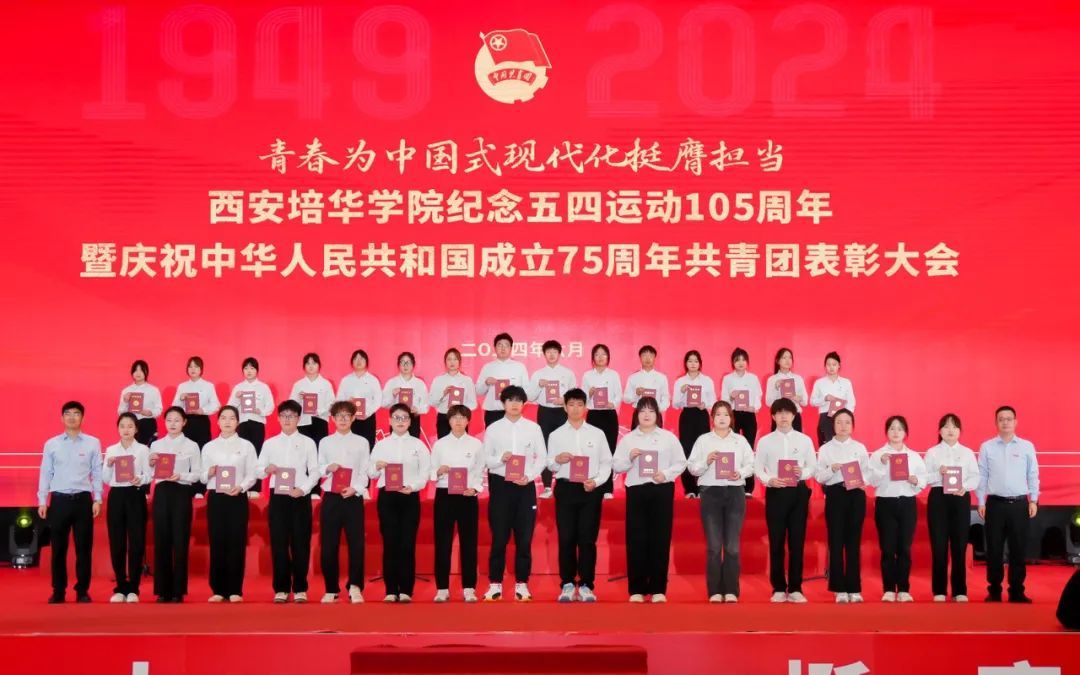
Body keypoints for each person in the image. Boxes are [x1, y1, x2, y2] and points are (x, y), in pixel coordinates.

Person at [613, 396, 685, 602]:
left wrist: (666, 474)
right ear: (636, 414)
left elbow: (681, 462)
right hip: (636, 490)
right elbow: (616, 465)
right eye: (643, 411)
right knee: (636, 538)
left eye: (651, 411)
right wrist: (629, 458)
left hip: (661, 490)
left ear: (657, 415)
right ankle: (636, 589)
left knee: (660, 538)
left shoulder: (668, 437)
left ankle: (658, 589)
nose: (646, 415)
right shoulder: (628, 439)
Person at [483, 385, 547, 602]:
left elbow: (542, 458)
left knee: (524, 538)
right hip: (500, 486)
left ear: (524, 404)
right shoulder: (493, 429)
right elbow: (486, 459)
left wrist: (529, 476)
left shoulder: (533, 428)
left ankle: (522, 583)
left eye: (518, 400)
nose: (514, 404)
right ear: (503, 403)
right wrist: (499, 459)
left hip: (524, 487)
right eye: (510, 400)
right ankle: (495, 584)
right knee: (499, 538)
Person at [547, 388, 612, 603]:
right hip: (566, 488)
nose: (575, 409)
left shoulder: (597, 433)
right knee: (566, 538)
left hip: (590, 489)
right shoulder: (556, 434)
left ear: (585, 407)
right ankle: (567, 583)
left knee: (587, 539)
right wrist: (558, 459)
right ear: (565, 407)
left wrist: (597, 482)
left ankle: (586, 584)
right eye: (571, 404)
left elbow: (606, 462)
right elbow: (550, 463)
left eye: (580, 404)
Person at [688, 401, 754, 602]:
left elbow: (751, 464)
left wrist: (739, 472)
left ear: (731, 418)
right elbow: (692, 467)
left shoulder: (740, 441)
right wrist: (706, 461)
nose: (722, 418)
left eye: (726, 414)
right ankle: (715, 591)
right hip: (710, 493)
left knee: (733, 546)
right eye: (718, 414)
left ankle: (731, 590)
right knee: (714, 546)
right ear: (712, 418)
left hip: (735, 493)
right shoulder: (703, 440)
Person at [38, 401, 103, 603]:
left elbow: (97, 472)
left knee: (84, 548)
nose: (72, 417)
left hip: (83, 500)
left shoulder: (93, 443)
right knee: (58, 548)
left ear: (82, 418)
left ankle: (82, 590)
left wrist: (98, 498)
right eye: (68, 414)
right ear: (62, 418)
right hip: (59, 500)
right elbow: (46, 473)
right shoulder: (51, 444)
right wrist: (42, 500)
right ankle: (58, 590)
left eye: (76, 414)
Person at [754, 397, 817, 603]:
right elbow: (757, 468)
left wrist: (802, 472)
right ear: (773, 416)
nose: (783, 416)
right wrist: (769, 480)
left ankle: (796, 587)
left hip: (798, 492)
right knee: (776, 541)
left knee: (797, 541)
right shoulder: (765, 441)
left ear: (794, 415)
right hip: (776, 492)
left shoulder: (805, 440)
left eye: (787, 412)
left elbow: (812, 466)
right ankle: (779, 588)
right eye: (779, 413)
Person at [258, 400, 320, 603]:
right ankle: (281, 588)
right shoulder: (269, 443)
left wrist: (303, 489)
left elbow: (315, 471)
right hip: (278, 497)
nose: (287, 419)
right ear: (277, 418)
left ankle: (300, 587)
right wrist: (266, 470)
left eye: (291, 416)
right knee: (279, 543)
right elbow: (258, 470)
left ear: (298, 419)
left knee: (301, 543)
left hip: (299, 495)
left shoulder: (308, 442)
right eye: (284, 415)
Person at [977, 405, 1040, 603]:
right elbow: (982, 476)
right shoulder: (987, 447)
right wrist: (981, 501)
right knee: (994, 549)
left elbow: (1033, 474)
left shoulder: (1026, 446)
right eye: (1001, 419)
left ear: (1015, 422)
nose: (1005, 422)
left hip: (1019, 504)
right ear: (996, 423)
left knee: (1018, 549)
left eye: (1009, 419)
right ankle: (994, 590)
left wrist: (1034, 500)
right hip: (994, 504)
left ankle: (1017, 591)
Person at [369, 402, 431, 602]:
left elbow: (425, 473)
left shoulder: (418, 445)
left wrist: (413, 486)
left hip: (409, 496)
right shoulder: (381, 444)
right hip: (387, 497)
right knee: (390, 543)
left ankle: (405, 590)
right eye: (397, 417)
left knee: (407, 543)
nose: (401, 421)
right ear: (389, 420)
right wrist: (377, 466)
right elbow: (370, 473)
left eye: (405, 418)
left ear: (410, 421)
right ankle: (390, 590)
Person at [429, 405, 486, 603]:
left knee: (469, 543)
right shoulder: (440, 444)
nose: (459, 421)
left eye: (462, 417)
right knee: (442, 543)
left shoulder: (476, 444)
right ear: (449, 421)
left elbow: (480, 470)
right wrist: (438, 471)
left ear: (468, 420)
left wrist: (475, 488)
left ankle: (469, 588)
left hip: (467, 495)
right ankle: (442, 588)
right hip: (444, 494)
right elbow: (430, 470)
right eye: (455, 418)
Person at [201, 406, 257, 602]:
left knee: (236, 541)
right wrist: (209, 473)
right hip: (216, 497)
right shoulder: (209, 447)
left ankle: (235, 590)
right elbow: (201, 475)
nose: (227, 422)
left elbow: (252, 474)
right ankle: (218, 589)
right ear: (217, 422)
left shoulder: (247, 446)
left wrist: (241, 487)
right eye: (223, 418)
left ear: (237, 422)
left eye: (232, 418)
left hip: (237, 497)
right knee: (217, 541)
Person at [868, 415, 927, 603]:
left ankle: (903, 589)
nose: (896, 432)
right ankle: (888, 589)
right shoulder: (877, 455)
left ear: (905, 433)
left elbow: (923, 479)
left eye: (900, 429)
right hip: (885, 504)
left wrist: (915, 480)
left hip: (907, 503)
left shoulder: (914, 456)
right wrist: (882, 464)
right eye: (892, 428)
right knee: (887, 548)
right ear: (886, 432)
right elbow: (872, 481)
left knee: (904, 548)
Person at [318, 400, 371, 604]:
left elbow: (365, 471)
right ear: (332, 418)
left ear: (353, 418)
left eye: (347, 415)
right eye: (338, 415)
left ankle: (355, 586)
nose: (342, 419)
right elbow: (318, 468)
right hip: (331, 497)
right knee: (328, 545)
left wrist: (355, 488)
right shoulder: (325, 442)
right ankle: (331, 589)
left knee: (356, 544)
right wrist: (327, 468)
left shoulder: (362, 442)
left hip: (353, 497)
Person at [814, 409, 869, 603]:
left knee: (854, 542)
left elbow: (868, 473)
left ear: (852, 425)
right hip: (835, 494)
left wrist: (863, 482)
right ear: (833, 425)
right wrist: (832, 469)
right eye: (839, 422)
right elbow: (819, 476)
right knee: (836, 541)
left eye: (847, 422)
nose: (843, 426)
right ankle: (838, 589)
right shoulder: (826, 449)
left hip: (856, 495)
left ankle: (854, 588)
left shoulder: (860, 448)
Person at [924, 413, 980, 603]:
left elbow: (975, 477)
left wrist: (965, 487)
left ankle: (959, 590)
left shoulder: (967, 453)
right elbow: (925, 478)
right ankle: (939, 590)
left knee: (959, 545)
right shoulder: (932, 452)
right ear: (940, 431)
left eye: (954, 427)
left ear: (960, 431)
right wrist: (937, 473)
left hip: (960, 498)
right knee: (939, 546)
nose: (950, 430)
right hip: (938, 498)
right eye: (946, 427)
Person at [149, 406, 202, 602]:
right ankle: (162, 590)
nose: (172, 424)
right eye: (169, 420)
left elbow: (197, 474)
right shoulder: (156, 445)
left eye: (177, 420)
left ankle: (178, 590)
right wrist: (151, 464)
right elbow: (149, 474)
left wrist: (181, 475)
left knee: (180, 541)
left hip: (181, 492)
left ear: (184, 422)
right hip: (162, 492)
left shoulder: (192, 445)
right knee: (161, 540)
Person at [102, 412, 151, 603]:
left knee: (136, 542)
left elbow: (149, 475)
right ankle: (120, 586)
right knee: (117, 542)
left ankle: (134, 588)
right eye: (122, 426)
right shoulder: (111, 450)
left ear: (136, 429)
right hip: (116, 496)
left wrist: (140, 479)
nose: (126, 430)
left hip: (135, 494)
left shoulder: (143, 450)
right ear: (118, 429)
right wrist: (108, 465)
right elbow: (106, 479)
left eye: (130, 426)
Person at [527, 339, 577, 499]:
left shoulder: (568, 373)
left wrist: (565, 399)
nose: (552, 355)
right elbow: (530, 397)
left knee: (565, 445)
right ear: (544, 354)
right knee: (545, 448)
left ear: (560, 354)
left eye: (555, 352)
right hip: (545, 413)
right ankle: (547, 486)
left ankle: (567, 483)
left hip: (563, 412)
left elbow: (575, 395)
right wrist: (539, 385)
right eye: (548, 352)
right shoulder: (538, 374)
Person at [672, 350, 717, 499]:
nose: (693, 364)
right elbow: (675, 404)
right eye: (690, 361)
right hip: (687, 416)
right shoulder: (680, 381)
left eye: (696, 361)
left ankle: (703, 486)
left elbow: (713, 401)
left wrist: (705, 404)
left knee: (704, 449)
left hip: (701, 415)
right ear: (686, 363)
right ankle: (689, 489)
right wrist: (682, 391)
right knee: (687, 450)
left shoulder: (707, 380)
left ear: (700, 363)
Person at [172, 356, 219, 496]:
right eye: (190, 366)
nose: (193, 369)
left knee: (202, 452)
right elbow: (174, 407)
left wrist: (203, 410)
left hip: (201, 421)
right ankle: (186, 485)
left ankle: (200, 489)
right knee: (186, 453)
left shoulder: (208, 386)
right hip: (186, 422)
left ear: (201, 369)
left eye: (196, 367)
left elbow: (216, 405)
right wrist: (180, 399)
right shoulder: (182, 387)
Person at [227, 357, 273, 497]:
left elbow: (270, 406)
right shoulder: (238, 388)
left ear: (257, 370)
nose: (249, 371)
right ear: (242, 371)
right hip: (242, 424)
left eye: (252, 368)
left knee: (257, 454)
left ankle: (255, 489)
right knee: (241, 455)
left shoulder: (263, 387)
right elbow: (229, 408)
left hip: (257, 423)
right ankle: (241, 486)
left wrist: (261, 411)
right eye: (246, 368)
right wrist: (237, 397)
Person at [581, 343, 621, 499]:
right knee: (592, 450)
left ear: (608, 357)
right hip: (593, 415)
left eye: (603, 354)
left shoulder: (613, 375)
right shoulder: (587, 376)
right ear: (592, 357)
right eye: (597, 354)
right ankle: (593, 484)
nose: (600, 357)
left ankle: (607, 488)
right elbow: (583, 400)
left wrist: (613, 403)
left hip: (609, 415)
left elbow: (619, 395)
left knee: (608, 451)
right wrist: (589, 394)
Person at [721, 348, 763, 496]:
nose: (740, 363)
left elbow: (758, 397)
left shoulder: (753, 378)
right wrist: (730, 397)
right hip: (733, 415)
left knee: (748, 449)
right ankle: (731, 482)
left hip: (749, 415)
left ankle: (748, 487)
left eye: (743, 360)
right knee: (731, 448)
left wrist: (754, 408)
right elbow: (723, 399)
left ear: (747, 362)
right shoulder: (728, 379)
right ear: (732, 362)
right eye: (737, 360)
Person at [475, 332, 529, 428]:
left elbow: (526, 391)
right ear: (495, 348)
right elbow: (478, 391)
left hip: (513, 412)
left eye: (506, 345)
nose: (503, 348)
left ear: (511, 348)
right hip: (493, 412)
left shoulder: (520, 367)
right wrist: (486, 383)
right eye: (500, 345)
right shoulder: (487, 367)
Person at [336, 348, 382, 450]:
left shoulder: (373, 380)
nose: (358, 361)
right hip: (349, 419)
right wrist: (347, 403)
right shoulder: (346, 380)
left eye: (361, 358)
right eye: (356, 359)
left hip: (367, 419)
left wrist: (367, 413)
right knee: (349, 448)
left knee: (367, 447)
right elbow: (339, 399)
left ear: (366, 361)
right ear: (352, 362)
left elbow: (378, 400)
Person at [430, 347, 478, 439]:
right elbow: (432, 402)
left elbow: (473, 403)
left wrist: (461, 409)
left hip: (461, 418)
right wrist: (443, 394)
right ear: (445, 362)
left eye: (455, 359)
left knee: (461, 445)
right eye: (449, 359)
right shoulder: (438, 380)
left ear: (460, 361)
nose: (452, 362)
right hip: (444, 418)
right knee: (444, 445)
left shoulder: (467, 380)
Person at [809, 351, 855, 446]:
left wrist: (847, 417)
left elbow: (851, 402)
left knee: (842, 445)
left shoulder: (846, 382)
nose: (831, 367)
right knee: (826, 446)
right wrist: (824, 399)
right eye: (828, 364)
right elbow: (812, 401)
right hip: (825, 417)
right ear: (825, 366)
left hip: (841, 417)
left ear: (839, 366)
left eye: (834, 364)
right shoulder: (819, 383)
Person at [290, 352, 335, 448]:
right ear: (304, 366)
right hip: (303, 422)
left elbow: (332, 404)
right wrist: (299, 399)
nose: (311, 366)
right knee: (303, 450)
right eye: (308, 363)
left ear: (319, 365)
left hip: (320, 420)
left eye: (314, 363)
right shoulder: (298, 385)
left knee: (319, 449)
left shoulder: (326, 384)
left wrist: (319, 412)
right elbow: (291, 405)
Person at [381, 351, 429, 439]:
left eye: (408, 362)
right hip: (396, 419)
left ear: (413, 365)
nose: (405, 365)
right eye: (402, 362)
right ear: (398, 365)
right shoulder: (391, 382)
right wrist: (392, 395)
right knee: (395, 446)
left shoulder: (420, 384)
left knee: (413, 446)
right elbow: (383, 403)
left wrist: (418, 410)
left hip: (413, 419)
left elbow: (426, 406)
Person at [118, 359, 162, 447]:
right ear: (132, 372)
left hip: (148, 424)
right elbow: (120, 413)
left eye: (141, 370)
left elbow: (159, 409)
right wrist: (125, 402)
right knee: (132, 451)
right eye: (136, 370)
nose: (138, 373)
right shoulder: (126, 391)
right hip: (131, 425)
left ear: (146, 372)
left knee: (148, 450)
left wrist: (150, 413)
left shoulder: (153, 390)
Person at [622, 345, 670, 426]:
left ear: (655, 358)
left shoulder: (662, 377)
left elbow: (665, 397)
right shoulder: (633, 377)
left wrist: (658, 409)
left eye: (651, 355)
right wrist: (636, 394)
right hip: (639, 414)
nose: (648, 358)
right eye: (644, 355)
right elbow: (626, 399)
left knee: (656, 435)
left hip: (656, 414)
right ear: (640, 358)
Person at [764, 348, 808, 433]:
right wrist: (776, 388)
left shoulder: (798, 378)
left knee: (796, 441)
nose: (787, 360)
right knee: (777, 441)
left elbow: (805, 402)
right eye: (784, 358)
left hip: (794, 416)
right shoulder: (772, 379)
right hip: (778, 416)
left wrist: (798, 398)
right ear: (778, 361)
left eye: (790, 357)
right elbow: (768, 402)